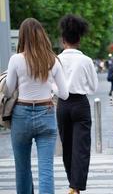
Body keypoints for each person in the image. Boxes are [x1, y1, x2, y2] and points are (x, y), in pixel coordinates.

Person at [6, 18, 69, 194]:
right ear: (42, 36)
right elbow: (64, 94)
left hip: (21, 115)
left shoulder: (16, 60)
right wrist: (50, 86)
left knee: (22, 168)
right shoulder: (53, 60)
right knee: (46, 169)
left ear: (22, 37)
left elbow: (9, 90)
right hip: (46, 113)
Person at [57, 14, 98, 194]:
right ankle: (76, 186)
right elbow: (94, 87)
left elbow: (52, 85)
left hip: (63, 104)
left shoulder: (56, 60)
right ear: (79, 39)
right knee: (81, 147)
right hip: (81, 104)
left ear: (63, 39)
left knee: (67, 146)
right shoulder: (86, 60)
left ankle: (72, 185)